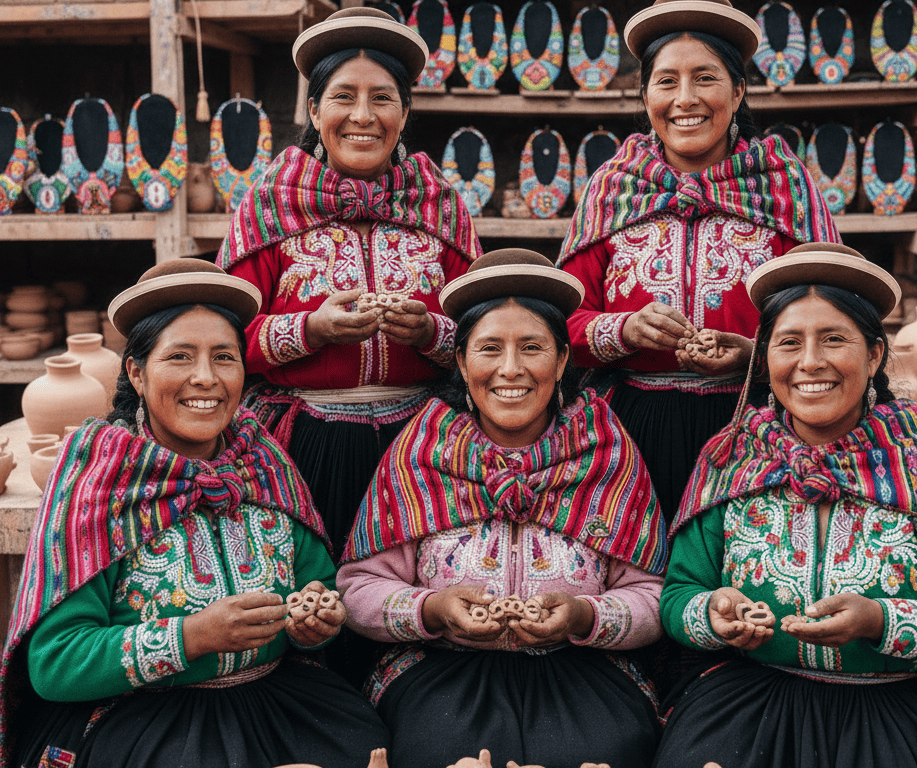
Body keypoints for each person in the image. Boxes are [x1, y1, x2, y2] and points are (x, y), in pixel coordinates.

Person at [0, 259, 391, 768]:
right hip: (142, 718)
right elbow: (55, 662)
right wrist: (192, 637)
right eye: (180, 357)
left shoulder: (262, 459)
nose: (205, 379)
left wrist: (318, 618)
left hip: (276, 700)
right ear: (137, 372)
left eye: (224, 357)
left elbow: (318, 585)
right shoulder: (101, 478)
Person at [657, 242, 917, 768]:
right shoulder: (732, 455)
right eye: (789, 343)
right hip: (752, 706)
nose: (810, 362)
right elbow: (678, 596)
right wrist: (714, 614)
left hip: (906, 712)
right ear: (764, 359)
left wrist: (878, 619)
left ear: (874, 354)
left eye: (834, 339)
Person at [337, 250, 667, 768]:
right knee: (436, 751)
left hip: (582, 668)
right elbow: (356, 588)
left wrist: (584, 615)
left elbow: (652, 594)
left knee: (602, 752)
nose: (510, 369)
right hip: (440, 670)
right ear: (462, 363)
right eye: (489, 348)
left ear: (561, 361)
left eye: (531, 347)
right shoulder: (422, 449)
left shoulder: (606, 449)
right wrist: (433, 609)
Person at [557, 0, 841, 517]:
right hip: (628, 435)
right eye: (666, 82)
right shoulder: (613, 189)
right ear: (645, 96)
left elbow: (832, 317)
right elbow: (559, 322)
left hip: (757, 431)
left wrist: (753, 355)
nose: (685, 100)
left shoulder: (784, 187)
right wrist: (623, 331)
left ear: (737, 91)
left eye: (705, 78)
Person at [218, 7, 484, 553]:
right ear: (315, 110)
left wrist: (429, 332)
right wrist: (310, 330)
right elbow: (221, 341)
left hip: (426, 449)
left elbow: (488, 331)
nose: (362, 115)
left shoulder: (440, 204)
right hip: (301, 448)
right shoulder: (268, 204)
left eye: (382, 98)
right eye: (343, 96)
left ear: (405, 112)